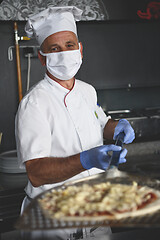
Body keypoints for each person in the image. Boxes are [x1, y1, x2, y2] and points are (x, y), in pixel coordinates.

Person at [15, 6, 135, 239]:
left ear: (80, 49)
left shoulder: (86, 91)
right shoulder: (34, 104)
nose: (64, 53)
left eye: (69, 45)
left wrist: (118, 126)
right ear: (42, 57)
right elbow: (36, 173)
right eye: (54, 48)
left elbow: (102, 124)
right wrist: (86, 160)